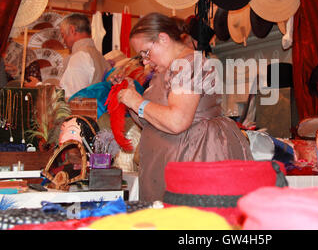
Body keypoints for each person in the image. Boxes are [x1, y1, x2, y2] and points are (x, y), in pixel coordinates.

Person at [114, 12, 253, 202]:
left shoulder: (190, 64)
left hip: (197, 155)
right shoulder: (164, 69)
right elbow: (151, 119)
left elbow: (177, 121)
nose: (145, 61)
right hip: (170, 158)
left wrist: (136, 102)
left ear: (163, 38)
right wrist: (132, 96)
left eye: (146, 52)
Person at [59, 13, 111, 99]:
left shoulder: (80, 57)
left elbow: (72, 98)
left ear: (72, 30)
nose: (63, 40)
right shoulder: (99, 56)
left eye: (63, 34)